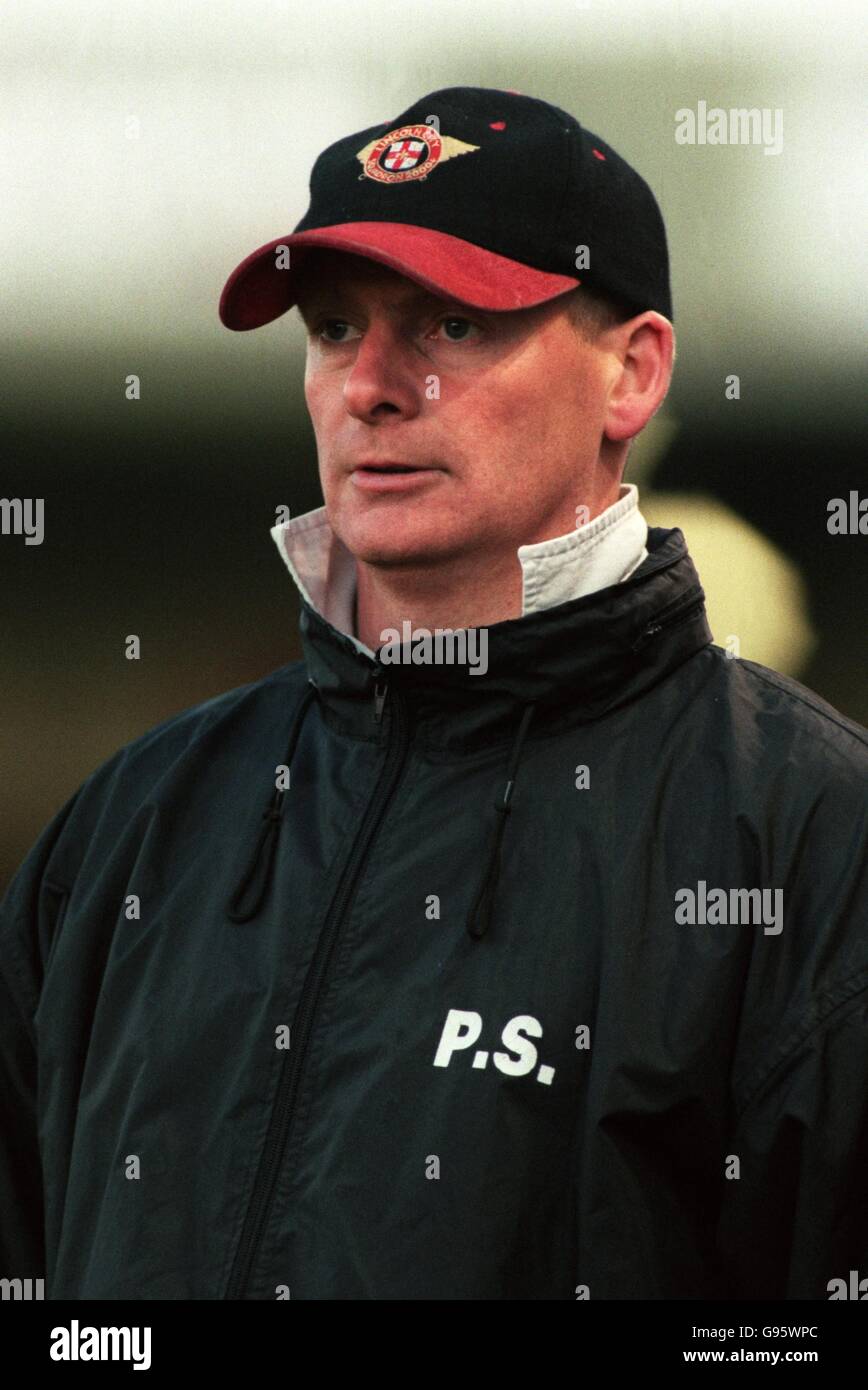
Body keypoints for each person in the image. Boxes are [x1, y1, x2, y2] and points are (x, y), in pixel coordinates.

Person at [1, 85, 866, 1302]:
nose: (372, 385)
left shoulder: (810, 841)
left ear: (632, 374)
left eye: (453, 326)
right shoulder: (129, 828)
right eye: (335, 327)